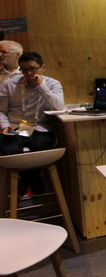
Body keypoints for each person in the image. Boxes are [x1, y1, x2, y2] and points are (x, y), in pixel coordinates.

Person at [0, 52, 66, 197]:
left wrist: (41, 86)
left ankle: (25, 181)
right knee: (10, 151)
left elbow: (59, 107)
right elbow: (1, 110)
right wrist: (4, 125)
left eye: (32, 69)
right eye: (23, 69)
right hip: (15, 127)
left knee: (41, 147)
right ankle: (35, 180)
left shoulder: (52, 84)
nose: (28, 73)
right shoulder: (9, 84)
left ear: (43, 67)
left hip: (40, 127)